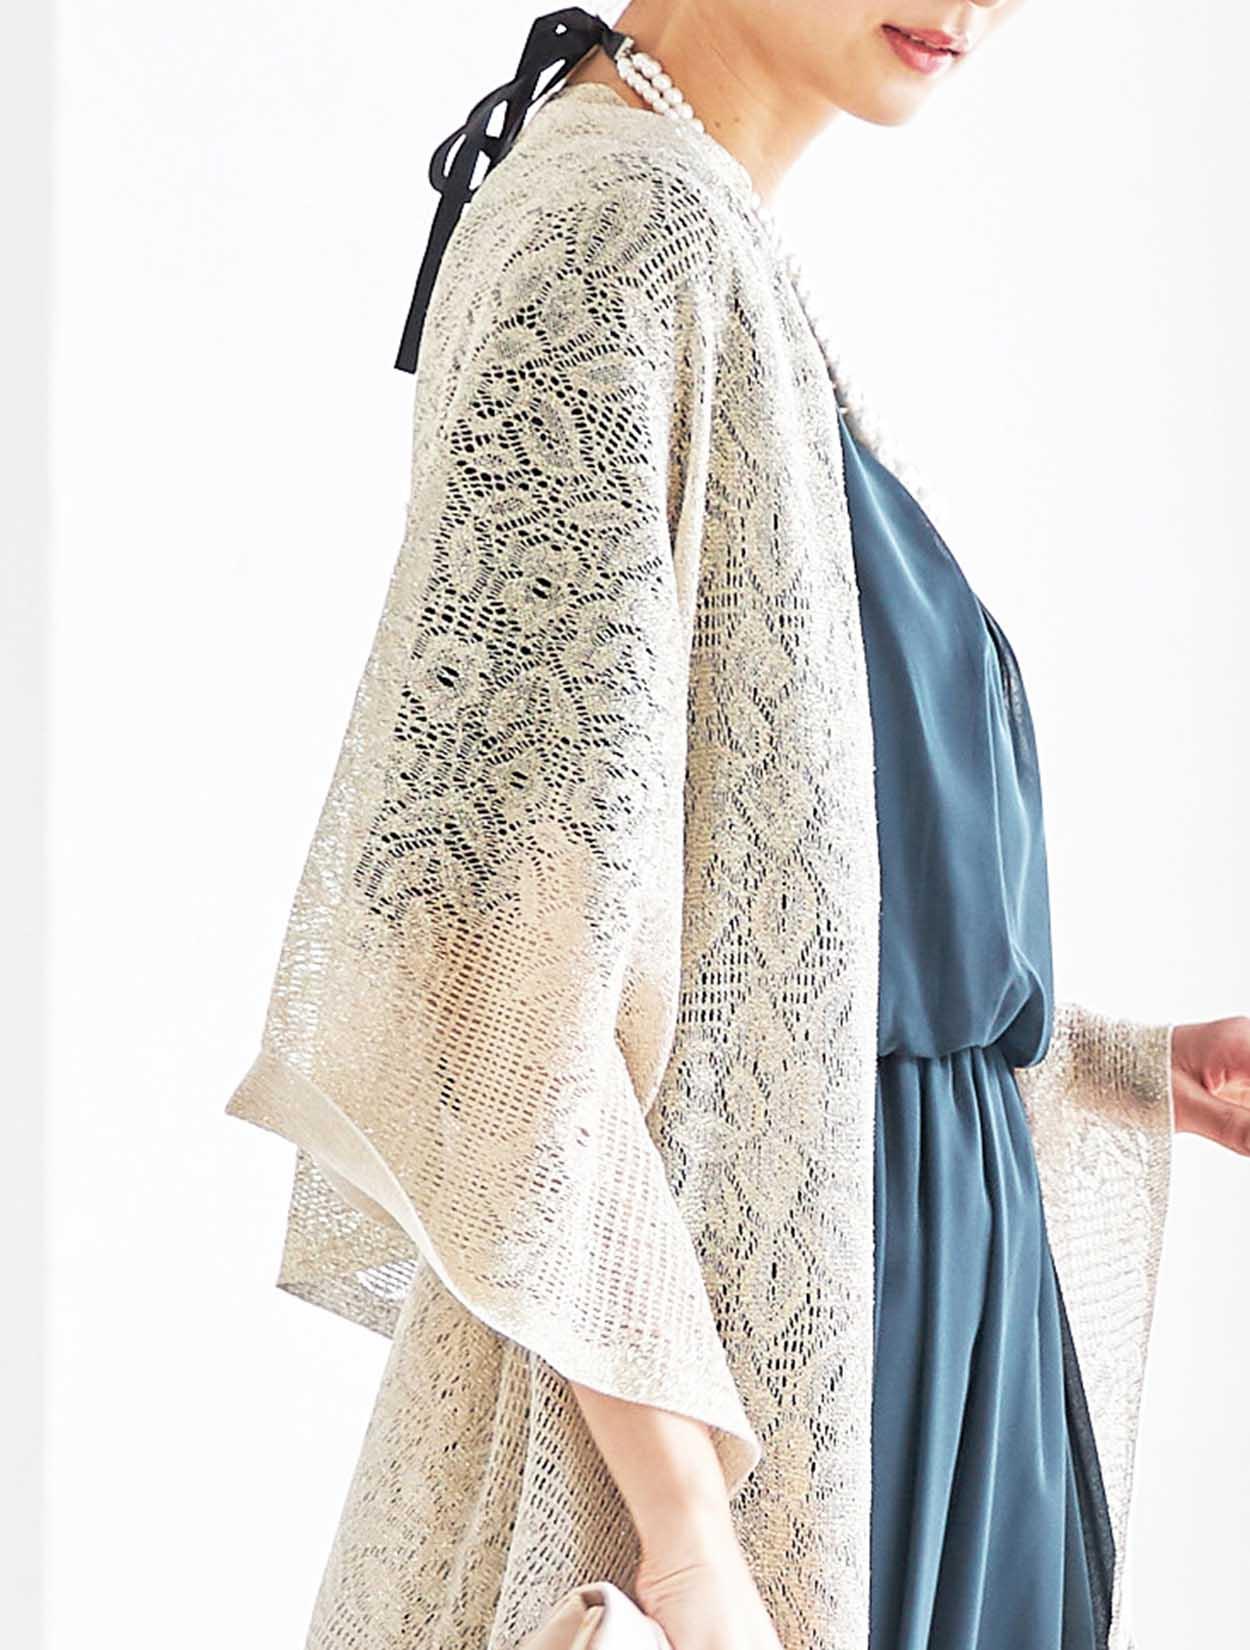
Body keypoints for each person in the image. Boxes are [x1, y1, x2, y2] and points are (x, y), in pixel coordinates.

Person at [224, 6, 1250, 1650]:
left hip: (914, 1368)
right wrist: (693, 1544)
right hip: (767, 1437)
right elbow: (470, 955)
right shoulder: (615, 236)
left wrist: (1126, 1066)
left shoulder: (696, 226)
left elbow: (776, 959)